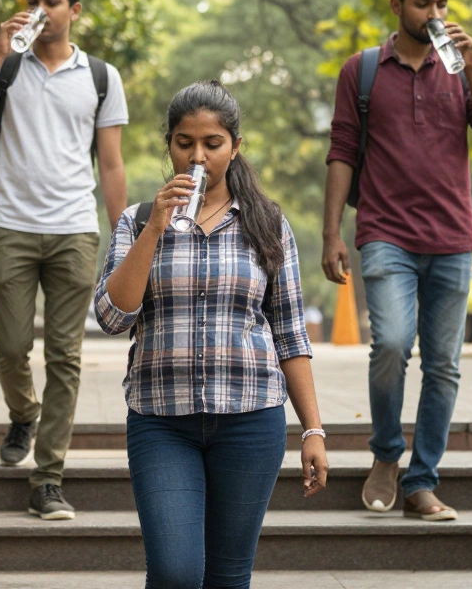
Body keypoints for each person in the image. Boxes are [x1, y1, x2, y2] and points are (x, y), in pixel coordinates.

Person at [96, 80, 328, 588]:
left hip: (251, 420)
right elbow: (113, 317)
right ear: (170, 145)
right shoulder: (138, 221)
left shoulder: (268, 223)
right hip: (162, 420)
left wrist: (312, 429)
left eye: (212, 143)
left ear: (235, 147)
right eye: (185, 143)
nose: (197, 156)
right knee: (175, 572)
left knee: (227, 575)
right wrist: (156, 227)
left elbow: (289, 332)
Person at [321, 0, 472, 520]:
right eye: (423, 3)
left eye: (442, 5)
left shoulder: (460, 67)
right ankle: (385, 455)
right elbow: (341, 153)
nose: (434, 14)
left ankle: (422, 480)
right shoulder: (363, 69)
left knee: (445, 364)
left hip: (453, 237)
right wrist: (331, 231)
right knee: (394, 344)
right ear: (397, 4)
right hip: (386, 234)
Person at [0, 0, 129, 520]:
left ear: (74, 10)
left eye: (51, 2)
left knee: (66, 356)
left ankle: (48, 476)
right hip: (10, 224)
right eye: (33, 1)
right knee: (7, 345)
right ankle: (23, 413)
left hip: (75, 227)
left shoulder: (101, 76)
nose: (40, 11)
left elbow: (112, 164)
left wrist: (124, 242)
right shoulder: (6, 68)